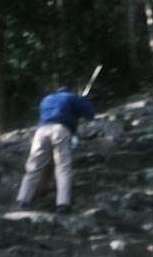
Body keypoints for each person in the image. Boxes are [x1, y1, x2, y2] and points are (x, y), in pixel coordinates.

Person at [17, 79, 95, 213]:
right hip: (60, 130)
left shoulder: (46, 99)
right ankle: (62, 204)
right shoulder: (72, 97)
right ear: (69, 88)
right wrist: (84, 101)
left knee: (33, 167)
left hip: (41, 132)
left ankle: (22, 200)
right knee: (62, 167)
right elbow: (90, 114)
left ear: (57, 89)